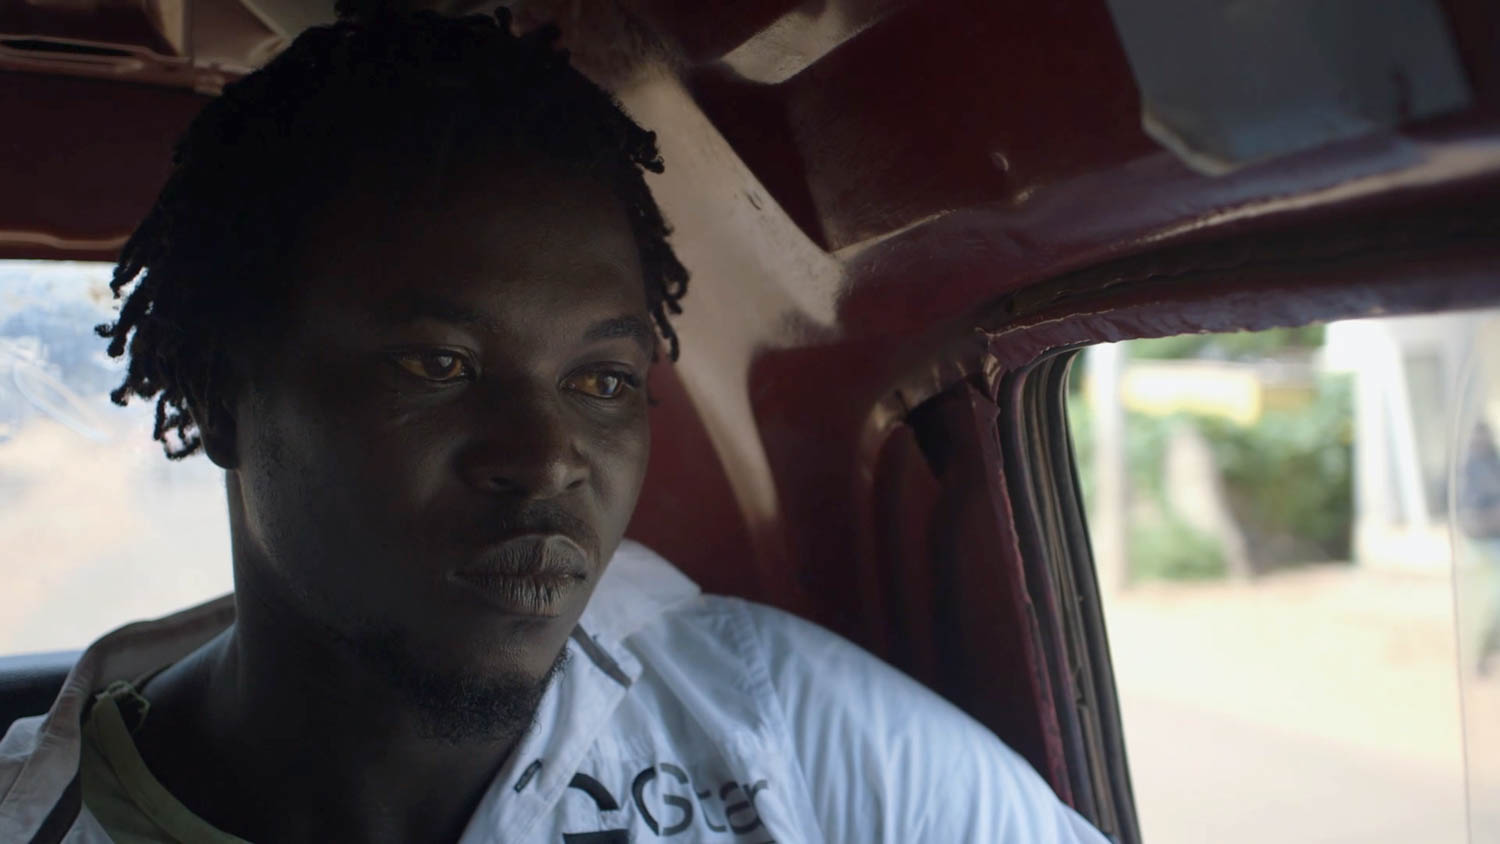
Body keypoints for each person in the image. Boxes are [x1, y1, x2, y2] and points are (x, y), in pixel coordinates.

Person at [0, 7, 1108, 843]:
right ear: (220, 395)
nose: (545, 458)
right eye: (437, 364)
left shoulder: (770, 722)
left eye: (603, 379)